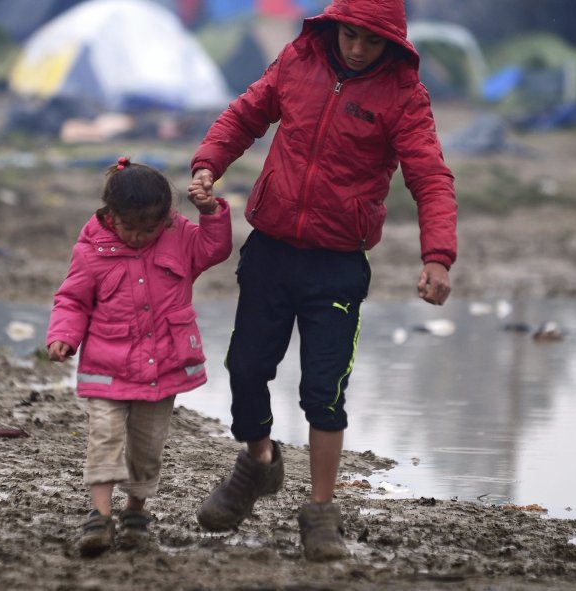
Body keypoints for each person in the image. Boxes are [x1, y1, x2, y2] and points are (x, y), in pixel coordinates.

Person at [187, 0, 457, 562]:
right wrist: (209, 162)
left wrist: (438, 257)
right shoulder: (297, 59)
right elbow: (245, 115)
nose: (356, 48)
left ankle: (320, 512)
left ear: (393, 45)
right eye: (349, 35)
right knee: (245, 368)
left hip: (337, 264)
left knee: (324, 392)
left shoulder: (404, 96)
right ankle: (258, 465)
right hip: (271, 250)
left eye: (370, 41)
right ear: (332, 26)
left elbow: (430, 177)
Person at [46, 157, 232, 557]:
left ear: (166, 218)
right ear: (110, 214)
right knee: (104, 438)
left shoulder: (181, 237)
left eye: (149, 229)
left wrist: (211, 212)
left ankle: (134, 513)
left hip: (163, 367)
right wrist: (63, 336)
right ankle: (99, 517)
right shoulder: (92, 247)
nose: (136, 237)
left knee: (147, 448)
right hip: (106, 366)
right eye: (128, 227)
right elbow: (73, 299)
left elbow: (215, 248)